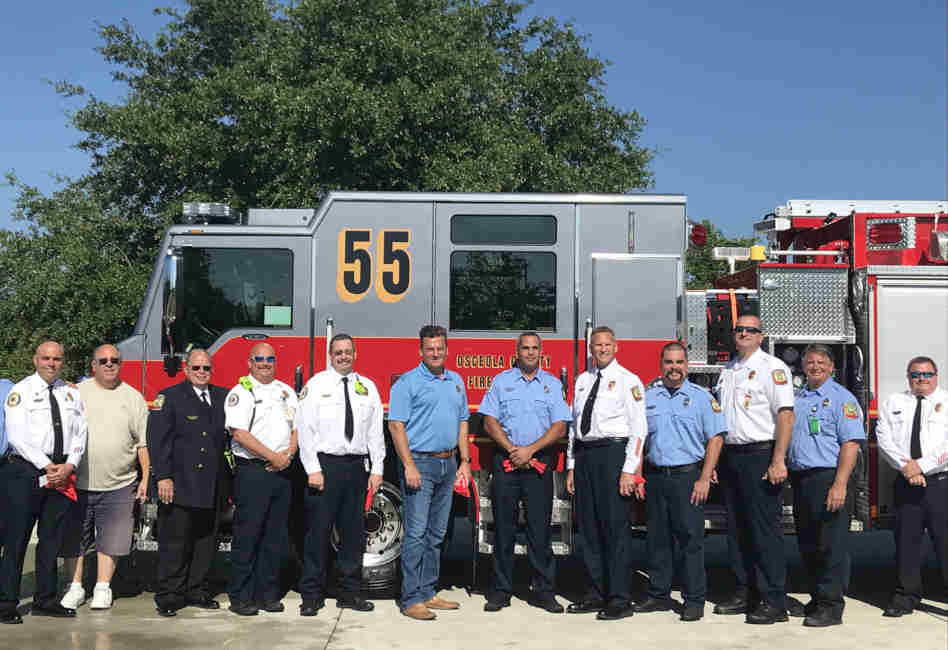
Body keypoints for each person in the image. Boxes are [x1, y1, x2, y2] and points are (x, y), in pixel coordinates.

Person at [479, 332, 572, 614]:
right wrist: (512, 450)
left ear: (541, 352)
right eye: (525, 348)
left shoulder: (552, 385)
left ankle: (543, 591)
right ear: (516, 351)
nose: (530, 353)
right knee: (504, 529)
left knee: (539, 530)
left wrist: (530, 450)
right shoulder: (501, 382)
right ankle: (500, 591)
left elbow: (560, 427)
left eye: (535, 348)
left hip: (538, 462)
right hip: (507, 461)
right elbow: (488, 421)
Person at [636, 342, 726, 622]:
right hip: (655, 476)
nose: (674, 368)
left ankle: (694, 599)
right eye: (669, 363)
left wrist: (704, 477)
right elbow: (639, 439)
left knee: (691, 540)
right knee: (657, 540)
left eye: (679, 363)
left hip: (688, 477)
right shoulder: (649, 397)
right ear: (661, 365)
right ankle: (658, 595)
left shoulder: (701, 397)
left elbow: (716, 438)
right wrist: (638, 475)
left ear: (687, 365)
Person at [714, 314, 795, 624]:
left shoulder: (772, 368)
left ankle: (773, 600)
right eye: (739, 329)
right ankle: (745, 591)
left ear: (762, 336)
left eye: (751, 330)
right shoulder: (729, 370)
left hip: (761, 454)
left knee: (764, 531)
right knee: (737, 529)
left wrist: (778, 460)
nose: (744, 333)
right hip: (732, 455)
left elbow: (785, 415)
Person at [0, 341, 88, 623]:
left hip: (61, 472)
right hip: (26, 473)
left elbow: (81, 433)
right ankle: (6, 603)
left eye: (57, 359)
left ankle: (46, 600)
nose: (52, 363)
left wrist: (70, 464)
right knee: (16, 540)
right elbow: (16, 435)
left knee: (51, 540)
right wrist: (46, 465)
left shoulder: (70, 394)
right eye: (46, 358)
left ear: (63, 361)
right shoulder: (20, 392)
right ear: (36, 360)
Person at [297, 334, 384, 616]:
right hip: (325, 467)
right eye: (338, 352)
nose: (343, 356)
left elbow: (375, 433)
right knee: (317, 534)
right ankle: (311, 594)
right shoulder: (316, 385)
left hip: (357, 467)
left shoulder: (367, 387)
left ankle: (350, 592)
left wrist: (378, 469)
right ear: (330, 355)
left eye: (348, 352)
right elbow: (305, 430)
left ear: (355, 354)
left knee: (353, 535)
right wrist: (312, 468)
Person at [389, 325, 471, 621]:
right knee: (416, 533)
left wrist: (465, 461)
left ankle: (427, 592)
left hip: (448, 464)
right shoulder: (407, 383)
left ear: (446, 350)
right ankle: (410, 598)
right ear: (420, 351)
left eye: (440, 348)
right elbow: (396, 425)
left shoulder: (456, 381)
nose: (435, 353)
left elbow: (463, 421)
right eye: (430, 348)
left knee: (437, 533)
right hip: (420, 465)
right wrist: (409, 464)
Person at [59, 345, 149, 612]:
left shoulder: (133, 398)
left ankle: (102, 587)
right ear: (93, 366)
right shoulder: (75, 393)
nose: (110, 364)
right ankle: (75, 587)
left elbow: (143, 444)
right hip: (77, 483)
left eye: (115, 360)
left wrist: (145, 478)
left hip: (120, 483)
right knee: (73, 538)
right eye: (104, 360)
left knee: (112, 539)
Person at [565, 326, 646, 620]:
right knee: (589, 530)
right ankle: (594, 592)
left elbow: (639, 429)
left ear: (616, 347)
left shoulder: (628, 381)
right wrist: (572, 466)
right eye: (596, 345)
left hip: (613, 455)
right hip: (586, 457)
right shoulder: (583, 380)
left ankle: (619, 598)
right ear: (590, 348)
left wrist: (629, 471)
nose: (601, 349)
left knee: (616, 531)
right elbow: (575, 427)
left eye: (606, 344)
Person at [147, 348, 229, 617]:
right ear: (185, 369)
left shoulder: (223, 397)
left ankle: (196, 590)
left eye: (206, 368)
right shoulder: (169, 397)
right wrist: (163, 477)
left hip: (211, 484)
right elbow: (157, 442)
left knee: (205, 542)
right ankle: (170, 594)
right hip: (179, 484)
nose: (202, 373)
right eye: (196, 368)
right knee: (175, 542)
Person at [786, 344, 864, 627]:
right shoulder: (798, 398)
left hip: (829, 477)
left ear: (831, 367)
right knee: (808, 544)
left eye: (821, 362)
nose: (815, 366)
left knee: (831, 545)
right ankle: (817, 598)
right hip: (802, 479)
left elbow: (851, 443)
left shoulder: (842, 399)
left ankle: (832, 606)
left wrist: (840, 484)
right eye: (810, 362)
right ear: (803, 366)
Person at [224, 343, 299, 616]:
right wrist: (272, 456)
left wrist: (288, 455)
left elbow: (296, 428)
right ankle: (241, 597)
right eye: (259, 359)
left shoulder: (286, 391)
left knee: (274, 537)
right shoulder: (241, 392)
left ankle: (268, 595)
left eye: (269, 359)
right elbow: (240, 434)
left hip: (282, 472)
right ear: (250, 362)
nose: (265, 363)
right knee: (248, 535)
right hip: (253, 472)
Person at [876, 355, 948, 617]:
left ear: (936, 375)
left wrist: (923, 466)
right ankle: (906, 596)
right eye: (915, 374)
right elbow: (883, 438)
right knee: (907, 542)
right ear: (908, 377)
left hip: (940, 483)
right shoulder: (895, 402)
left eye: (927, 374)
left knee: (945, 542)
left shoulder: (946, 401)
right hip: (906, 482)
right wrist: (907, 469)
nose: (921, 379)